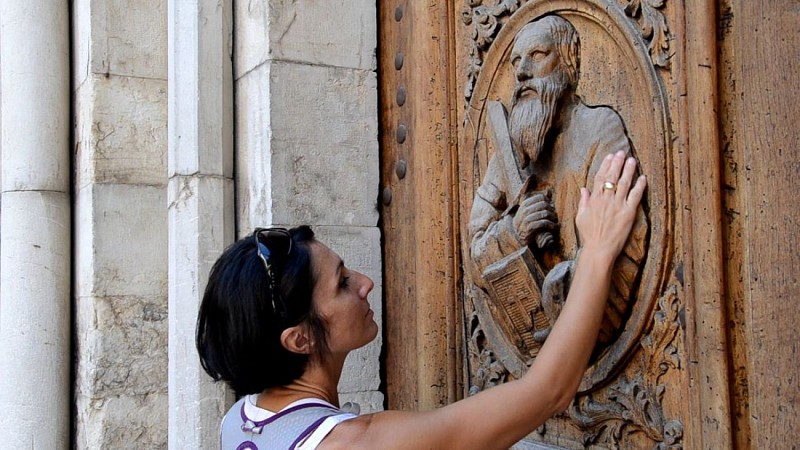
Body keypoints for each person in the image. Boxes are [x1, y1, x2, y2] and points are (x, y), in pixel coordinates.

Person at [197, 150, 646, 449]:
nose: (366, 283)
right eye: (342, 284)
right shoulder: (357, 444)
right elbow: (547, 393)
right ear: (298, 340)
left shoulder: (239, 420)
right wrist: (598, 251)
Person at [468, 15, 648, 345]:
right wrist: (514, 233)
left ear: (568, 62)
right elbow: (475, 254)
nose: (521, 71)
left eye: (537, 55)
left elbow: (627, 238)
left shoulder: (598, 129)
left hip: (592, 329)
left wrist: (563, 292)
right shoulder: (507, 154)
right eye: (515, 62)